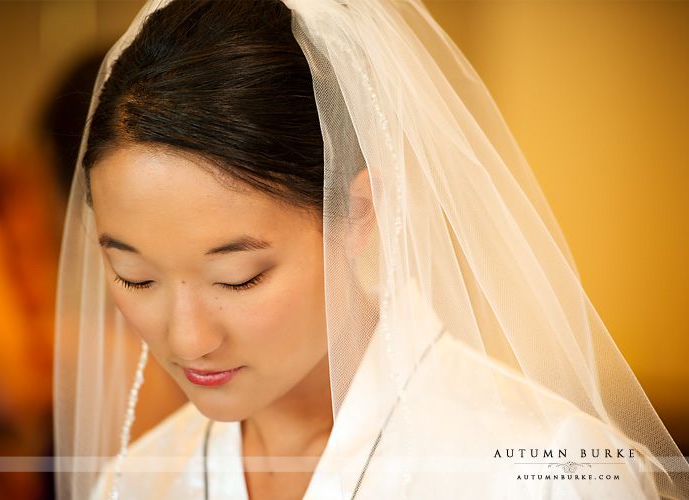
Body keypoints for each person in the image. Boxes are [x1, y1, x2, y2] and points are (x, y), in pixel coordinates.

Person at [54, 1, 689, 499]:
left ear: (360, 215)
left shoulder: (551, 472)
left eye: (238, 278)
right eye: (134, 277)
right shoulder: (137, 481)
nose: (187, 340)